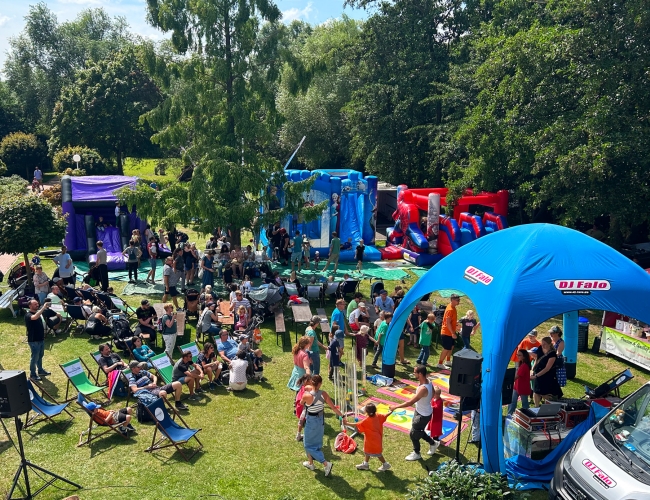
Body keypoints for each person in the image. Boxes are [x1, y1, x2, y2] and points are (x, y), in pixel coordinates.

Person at [390, 365, 438, 461]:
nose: (413, 374)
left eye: (415, 372)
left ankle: (417, 453)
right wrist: (425, 401)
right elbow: (433, 393)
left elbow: (410, 402)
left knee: (413, 434)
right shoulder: (429, 382)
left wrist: (395, 407)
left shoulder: (423, 389)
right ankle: (433, 443)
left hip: (423, 415)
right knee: (418, 431)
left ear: (420, 374)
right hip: (421, 411)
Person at [300, 375, 345, 476]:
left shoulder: (306, 395)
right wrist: (343, 416)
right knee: (316, 444)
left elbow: (301, 402)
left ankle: (325, 464)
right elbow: (333, 408)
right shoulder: (323, 394)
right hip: (320, 420)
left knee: (307, 445)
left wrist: (306, 391)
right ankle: (311, 464)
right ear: (320, 384)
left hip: (311, 421)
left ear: (311, 382)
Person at [348, 402, 391, 471]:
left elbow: (357, 424)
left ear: (367, 412)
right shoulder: (378, 416)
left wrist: (347, 423)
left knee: (377, 453)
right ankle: (365, 464)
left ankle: (385, 464)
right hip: (376, 439)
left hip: (371, 440)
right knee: (367, 451)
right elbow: (386, 415)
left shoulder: (366, 420)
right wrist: (391, 411)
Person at [531, 336, 563, 406]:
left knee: (545, 393)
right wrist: (533, 369)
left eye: (544, 344)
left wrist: (536, 376)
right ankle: (536, 406)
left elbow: (547, 368)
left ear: (549, 344)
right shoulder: (540, 348)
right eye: (542, 343)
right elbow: (537, 359)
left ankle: (548, 406)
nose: (543, 345)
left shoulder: (552, 354)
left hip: (547, 375)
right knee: (536, 391)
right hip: (538, 372)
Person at [25, 299, 51, 381]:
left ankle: (40, 370)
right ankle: (33, 375)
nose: (37, 305)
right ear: (30, 306)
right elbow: (34, 317)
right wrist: (43, 307)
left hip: (40, 339)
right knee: (34, 358)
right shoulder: (28, 315)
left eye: (37, 303)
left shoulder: (37, 313)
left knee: (40, 356)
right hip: (34, 340)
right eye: (35, 304)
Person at [437, 294, 460, 369]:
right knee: (446, 348)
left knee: (451, 347)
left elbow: (452, 321)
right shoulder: (450, 309)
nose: (459, 301)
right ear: (452, 300)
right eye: (457, 300)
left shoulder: (453, 308)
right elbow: (448, 323)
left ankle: (447, 361)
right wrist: (453, 333)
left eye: (459, 300)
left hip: (451, 332)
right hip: (446, 332)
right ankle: (440, 363)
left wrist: (456, 325)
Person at [508, 349, 532, 415]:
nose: (517, 356)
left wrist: (509, 381)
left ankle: (527, 415)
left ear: (524, 356)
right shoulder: (521, 364)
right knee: (512, 402)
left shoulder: (524, 366)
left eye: (519, 355)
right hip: (517, 386)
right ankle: (510, 415)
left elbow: (517, 376)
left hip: (523, 387)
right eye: (517, 355)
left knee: (525, 404)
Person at [424, 386, 444, 455]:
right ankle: (435, 439)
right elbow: (431, 403)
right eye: (434, 394)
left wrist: (430, 407)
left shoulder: (440, 401)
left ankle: (436, 440)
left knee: (436, 429)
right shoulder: (433, 399)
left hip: (437, 418)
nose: (435, 396)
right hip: (433, 417)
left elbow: (436, 407)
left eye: (436, 394)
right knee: (433, 427)